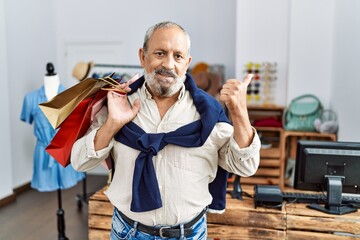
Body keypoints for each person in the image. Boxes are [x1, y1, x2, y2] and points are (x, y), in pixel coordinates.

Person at [71, 21, 260, 239]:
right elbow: (80, 162)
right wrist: (113, 123)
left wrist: (239, 113)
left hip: (189, 234)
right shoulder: (117, 103)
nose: (169, 64)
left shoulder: (209, 112)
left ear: (187, 63)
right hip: (127, 232)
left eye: (178, 56)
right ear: (143, 56)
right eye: (160, 53)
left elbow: (245, 166)